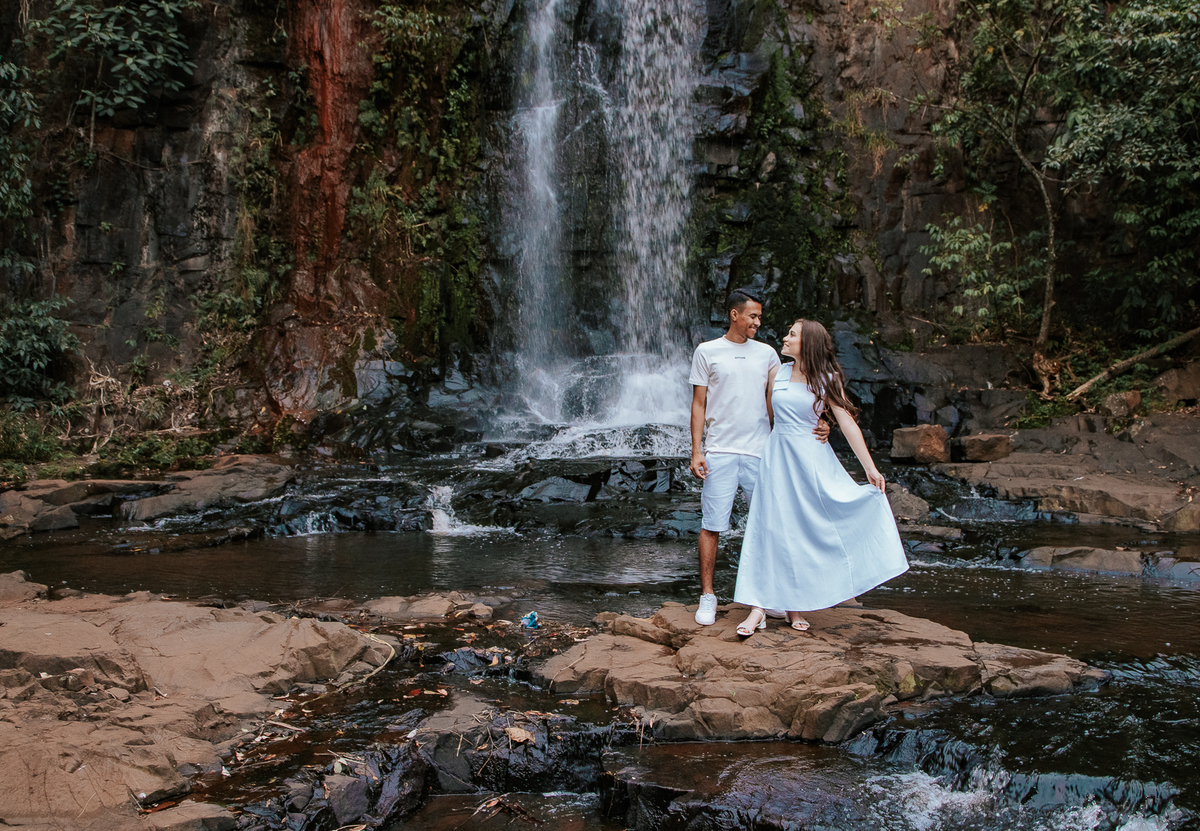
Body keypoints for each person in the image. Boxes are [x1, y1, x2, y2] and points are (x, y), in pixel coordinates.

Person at [731, 318, 908, 636]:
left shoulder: (826, 379)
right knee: (769, 526)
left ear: (808, 343)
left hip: (810, 461)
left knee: (803, 529)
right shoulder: (778, 372)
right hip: (777, 457)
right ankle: (758, 607)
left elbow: (847, 421)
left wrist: (870, 467)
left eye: (792, 334)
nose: (785, 338)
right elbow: (765, 416)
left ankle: (793, 605)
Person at [689, 290, 829, 626]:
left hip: (762, 453)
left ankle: (771, 596)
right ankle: (708, 595)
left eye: (759, 317)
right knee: (712, 525)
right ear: (734, 314)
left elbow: (784, 397)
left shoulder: (767, 355)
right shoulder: (707, 351)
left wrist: (821, 421)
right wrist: (696, 450)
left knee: (771, 526)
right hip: (720, 450)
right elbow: (698, 403)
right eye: (753, 316)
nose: (758, 322)